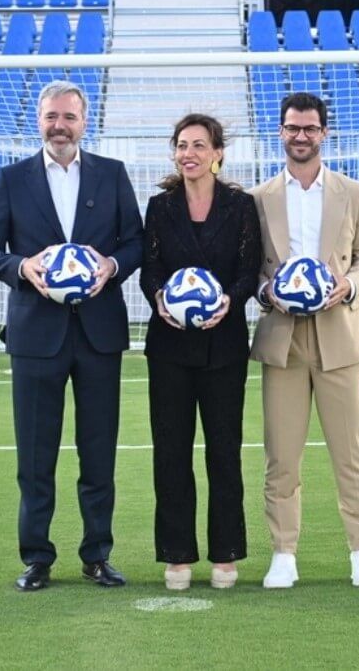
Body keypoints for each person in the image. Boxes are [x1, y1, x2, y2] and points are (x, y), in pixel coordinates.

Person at [0, 79, 143, 592]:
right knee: (35, 455)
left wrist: (111, 265)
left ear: (84, 122)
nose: (60, 126)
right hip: (35, 336)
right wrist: (24, 268)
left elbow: (136, 242)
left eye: (69, 117)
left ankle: (97, 554)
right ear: (39, 121)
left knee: (99, 452)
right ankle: (37, 558)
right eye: (52, 117)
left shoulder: (112, 174)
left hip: (98, 335)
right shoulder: (12, 179)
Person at [250, 92, 359, 589]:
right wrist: (267, 291)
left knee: (351, 454)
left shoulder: (352, 191)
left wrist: (348, 285)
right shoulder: (259, 198)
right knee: (282, 458)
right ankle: (283, 554)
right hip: (283, 340)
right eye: (292, 128)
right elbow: (251, 268)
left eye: (310, 128)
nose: (301, 136)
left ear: (324, 133)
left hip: (340, 337)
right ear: (280, 131)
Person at [139, 114, 262, 590]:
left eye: (198, 145)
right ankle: (177, 556)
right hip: (169, 346)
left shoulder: (240, 206)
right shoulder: (160, 207)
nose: (188, 153)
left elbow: (249, 270)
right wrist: (159, 299)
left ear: (217, 154)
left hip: (224, 346)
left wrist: (229, 299)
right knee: (171, 452)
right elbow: (150, 268)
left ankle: (226, 554)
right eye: (181, 145)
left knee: (224, 451)